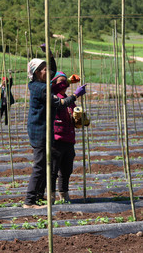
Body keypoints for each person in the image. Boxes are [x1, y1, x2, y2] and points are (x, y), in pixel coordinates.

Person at [24, 45, 87, 208]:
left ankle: (37, 198)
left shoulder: (41, 84)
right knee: (40, 167)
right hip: (40, 132)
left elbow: (53, 71)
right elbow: (61, 103)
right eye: (44, 69)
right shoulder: (42, 89)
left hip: (47, 132)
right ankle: (30, 201)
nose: (48, 71)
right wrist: (75, 95)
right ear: (37, 73)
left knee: (46, 167)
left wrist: (50, 54)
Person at [51, 71, 80, 203]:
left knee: (67, 170)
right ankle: (51, 196)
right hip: (56, 139)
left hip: (69, 139)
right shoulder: (53, 98)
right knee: (53, 170)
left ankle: (64, 194)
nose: (64, 84)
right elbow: (62, 104)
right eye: (61, 81)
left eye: (65, 81)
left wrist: (79, 120)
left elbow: (72, 114)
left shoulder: (69, 99)